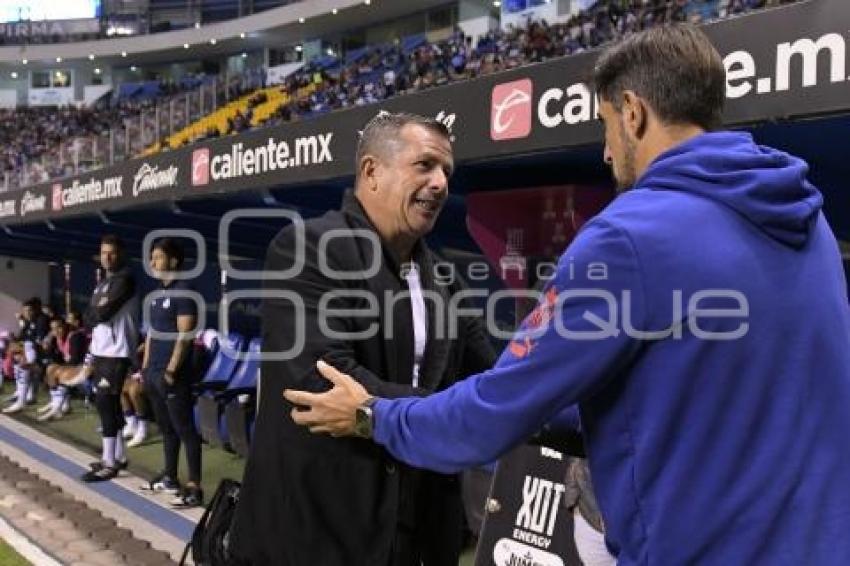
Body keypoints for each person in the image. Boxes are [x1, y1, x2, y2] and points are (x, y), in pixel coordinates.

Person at [284, 25, 850, 564]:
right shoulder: (808, 219)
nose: (606, 153)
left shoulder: (628, 235)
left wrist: (373, 417)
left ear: (633, 112)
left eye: (605, 126)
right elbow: (702, 396)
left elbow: (492, 413)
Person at [230, 112, 496, 566]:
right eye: (426, 165)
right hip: (318, 535)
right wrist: (445, 415)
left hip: (415, 533)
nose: (440, 184)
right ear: (372, 171)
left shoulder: (444, 280)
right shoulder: (308, 247)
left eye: (447, 172)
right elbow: (320, 385)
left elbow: (491, 379)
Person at [137, 238, 202, 508]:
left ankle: (194, 487)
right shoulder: (156, 295)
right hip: (153, 373)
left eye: (158, 257)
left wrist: (171, 369)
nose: (152, 262)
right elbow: (152, 334)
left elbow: (185, 335)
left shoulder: (184, 292)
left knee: (185, 429)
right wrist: (146, 366)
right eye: (151, 258)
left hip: (173, 374)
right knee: (166, 428)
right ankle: (170, 477)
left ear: (173, 261)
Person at [81, 235, 139, 482]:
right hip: (103, 350)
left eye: (112, 253)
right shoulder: (104, 283)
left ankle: (109, 462)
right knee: (109, 405)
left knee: (106, 404)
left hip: (117, 351)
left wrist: (96, 311)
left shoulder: (125, 280)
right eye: (104, 252)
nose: (107, 257)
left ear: (121, 254)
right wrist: (95, 312)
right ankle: (118, 457)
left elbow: (102, 312)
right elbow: (89, 314)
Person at [37, 317, 88, 421]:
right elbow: (57, 358)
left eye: (59, 327)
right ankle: (58, 404)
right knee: (51, 368)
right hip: (73, 368)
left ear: (65, 326)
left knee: (55, 370)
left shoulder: (75, 337)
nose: (56, 331)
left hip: (84, 368)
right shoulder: (57, 338)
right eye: (53, 329)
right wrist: (49, 346)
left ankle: (57, 407)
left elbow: (76, 359)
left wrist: (61, 368)